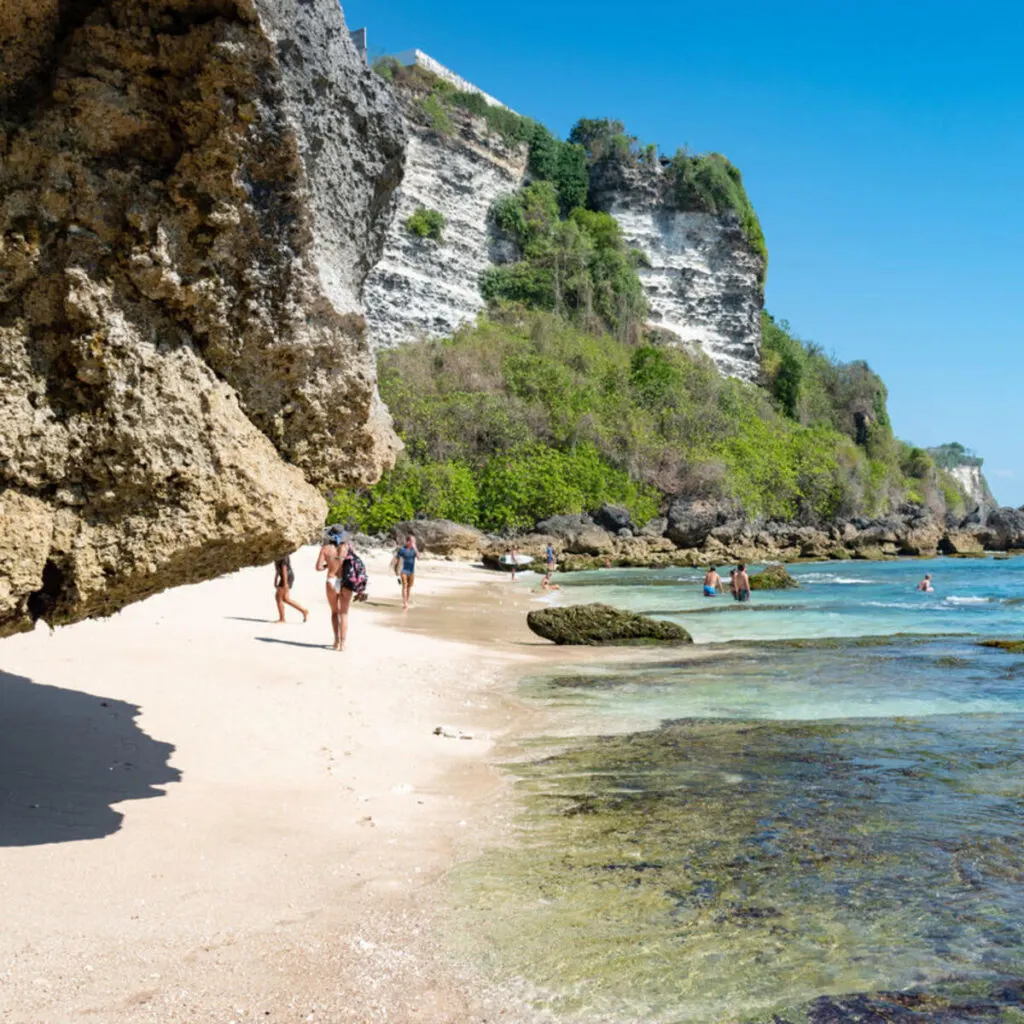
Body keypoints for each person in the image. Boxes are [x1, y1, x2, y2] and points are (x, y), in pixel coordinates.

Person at [316, 528, 350, 650]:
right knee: (344, 613)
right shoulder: (347, 548)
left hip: (331, 580)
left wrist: (327, 566)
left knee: (335, 612)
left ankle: (336, 641)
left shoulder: (325, 549)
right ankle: (343, 643)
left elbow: (318, 567)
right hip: (345, 582)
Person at [273, 553, 308, 624]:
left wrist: (285, 584)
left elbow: (284, 568)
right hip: (287, 576)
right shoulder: (278, 553)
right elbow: (278, 568)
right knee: (285, 598)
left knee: (278, 597)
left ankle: (282, 619)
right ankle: (304, 611)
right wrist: (276, 579)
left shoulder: (282, 554)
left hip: (286, 576)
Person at [392, 534, 417, 610]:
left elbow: (419, 557)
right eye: (412, 541)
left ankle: (406, 601)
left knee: (409, 587)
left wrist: (415, 548)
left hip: (411, 571)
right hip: (403, 571)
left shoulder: (414, 550)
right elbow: (396, 558)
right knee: (404, 586)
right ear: (408, 542)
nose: (414, 543)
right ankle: (405, 603)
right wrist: (395, 569)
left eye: (414, 541)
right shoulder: (402, 549)